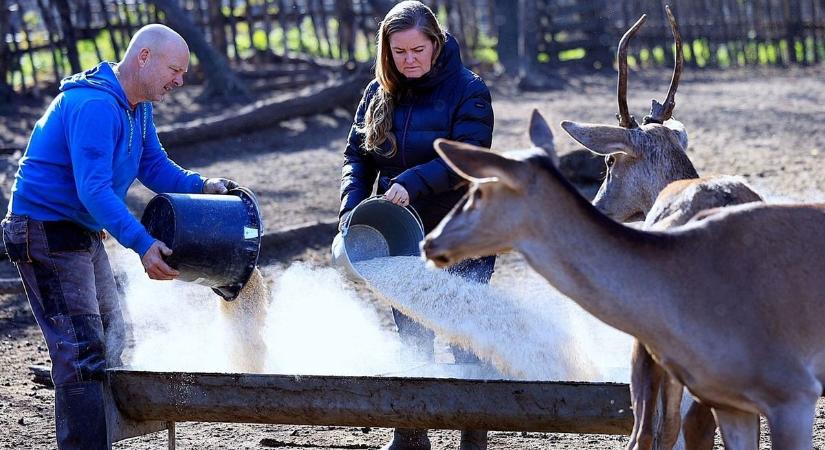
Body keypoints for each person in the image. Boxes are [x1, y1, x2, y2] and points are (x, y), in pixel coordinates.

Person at [1, 24, 238, 450]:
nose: (179, 80)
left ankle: (100, 438)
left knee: (111, 335)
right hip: (44, 228)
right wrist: (143, 244)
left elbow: (154, 167)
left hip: (79, 228)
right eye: (175, 69)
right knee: (81, 350)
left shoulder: (136, 106)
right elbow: (94, 190)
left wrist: (202, 185)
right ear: (143, 57)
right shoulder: (94, 105)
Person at [338, 2, 495, 449]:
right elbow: (357, 156)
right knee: (411, 331)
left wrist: (411, 181)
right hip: (399, 233)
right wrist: (351, 206)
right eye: (398, 51)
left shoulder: (470, 90)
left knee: (465, 337)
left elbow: (468, 159)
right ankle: (411, 432)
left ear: (436, 43)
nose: (408, 60)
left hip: (462, 232)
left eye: (417, 50)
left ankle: (473, 434)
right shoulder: (378, 92)